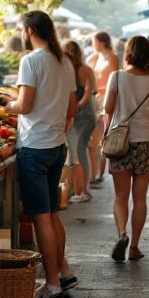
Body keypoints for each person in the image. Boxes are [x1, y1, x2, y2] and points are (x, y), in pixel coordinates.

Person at [3, 10, 78, 298]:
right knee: (52, 214)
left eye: (21, 29)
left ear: (31, 30)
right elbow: (72, 109)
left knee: (41, 219)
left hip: (34, 147)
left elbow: (25, 104)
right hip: (57, 145)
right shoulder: (65, 62)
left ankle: (51, 286)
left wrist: (5, 103)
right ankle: (63, 270)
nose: (20, 34)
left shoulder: (31, 61)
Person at [103, 36, 149, 262]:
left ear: (128, 52)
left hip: (120, 141)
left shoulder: (117, 77)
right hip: (146, 141)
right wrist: (148, 114)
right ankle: (135, 247)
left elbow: (108, 108)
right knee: (140, 198)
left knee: (121, 195)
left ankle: (122, 234)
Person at [63, 40, 97, 203]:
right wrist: (79, 105)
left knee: (76, 153)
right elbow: (90, 91)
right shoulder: (86, 70)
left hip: (75, 115)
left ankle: (81, 190)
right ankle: (80, 189)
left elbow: (87, 92)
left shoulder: (66, 69)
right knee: (79, 151)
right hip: (84, 115)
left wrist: (74, 107)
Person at [87, 31, 120, 186]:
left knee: (103, 137)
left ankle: (100, 173)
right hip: (95, 99)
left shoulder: (112, 58)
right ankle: (94, 173)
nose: (93, 44)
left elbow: (114, 82)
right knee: (95, 137)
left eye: (94, 41)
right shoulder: (95, 57)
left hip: (106, 99)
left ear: (101, 42)